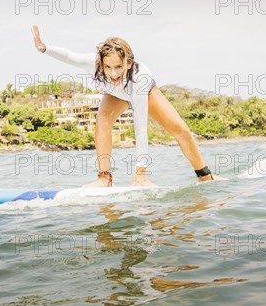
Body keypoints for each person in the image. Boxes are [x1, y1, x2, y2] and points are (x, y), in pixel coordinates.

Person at [31, 25, 224, 187]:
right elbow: (69, 56)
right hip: (116, 94)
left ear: (128, 63)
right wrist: (43, 47)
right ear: (101, 63)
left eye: (118, 67)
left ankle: (205, 176)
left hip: (143, 92)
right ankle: (104, 178)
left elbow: (140, 131)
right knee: (102, 120)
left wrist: (141, 173)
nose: (113, 73)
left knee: (180, 130)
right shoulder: (94, 63)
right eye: (108, 67)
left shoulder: (139, 80)